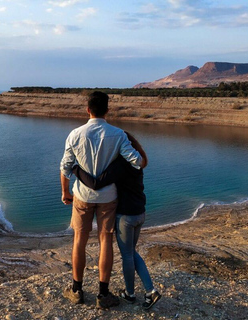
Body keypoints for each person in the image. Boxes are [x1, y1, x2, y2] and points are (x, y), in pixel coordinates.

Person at [60, 91, 143, 309]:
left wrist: (65, 192)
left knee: (79, 239)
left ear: (88, 110)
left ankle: (77, 290)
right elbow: (137, 162)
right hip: (109, 197)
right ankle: (103, 294)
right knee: (106, 241)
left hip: (82, 196)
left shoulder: (75, 134)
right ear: (107, 110)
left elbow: (65, 167)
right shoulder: (118, 134)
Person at [72, 131, 162, 310]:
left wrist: (75, 168)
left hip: (126, 216)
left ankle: (144, 292)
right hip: (139, 213)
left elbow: (96, 184)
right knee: (131, 252)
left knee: (128, 254)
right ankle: (135, 292)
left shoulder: (121, 164)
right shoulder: (137, 162)